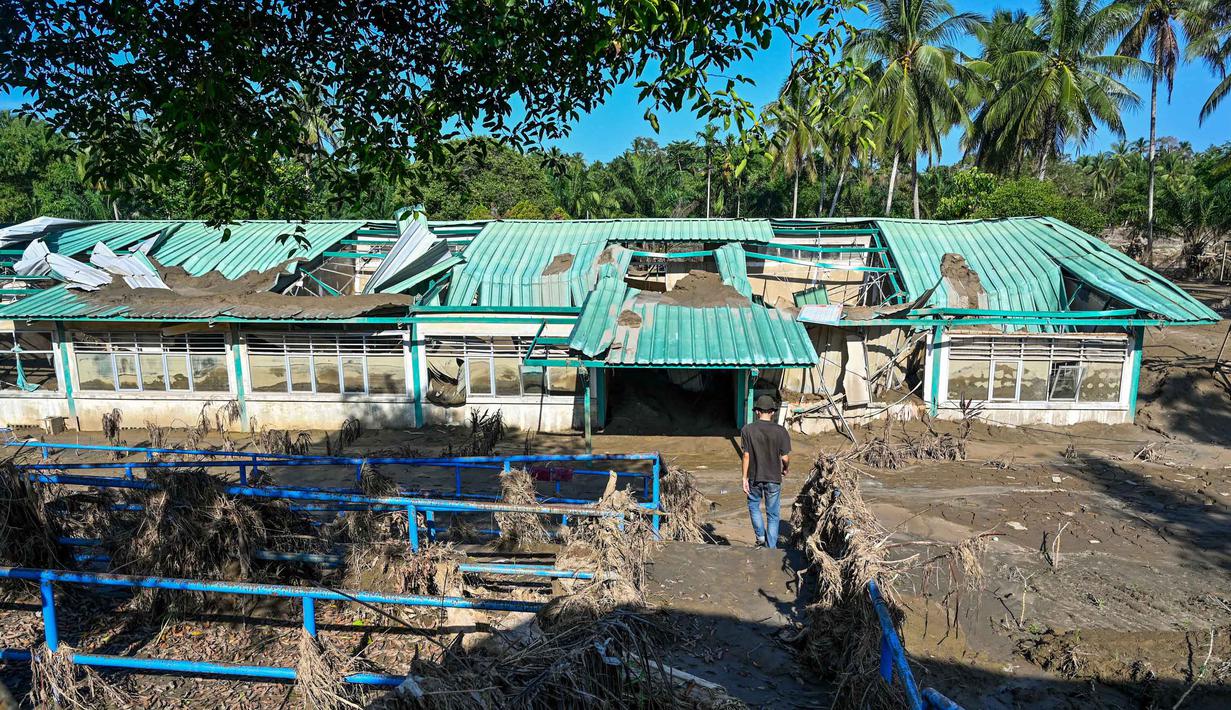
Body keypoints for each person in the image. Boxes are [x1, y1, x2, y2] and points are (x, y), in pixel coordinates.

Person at [740, 394, 791, 549]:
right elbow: (785, 458)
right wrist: (785, 468)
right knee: (773, 514)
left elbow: (746, 455)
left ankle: (761, 537)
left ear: (757, 411)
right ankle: (771, 548)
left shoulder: (747, 430)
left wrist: (744, 478)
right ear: (772, 412)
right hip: (774, 478)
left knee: (754, 505)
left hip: (754, 477)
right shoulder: (781, 431)